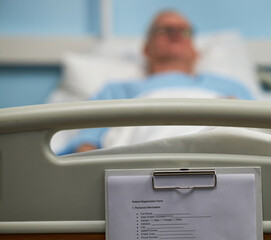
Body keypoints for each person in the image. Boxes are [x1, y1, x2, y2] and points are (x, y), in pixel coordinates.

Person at [64, 10, 254, 154]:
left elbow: (262, 134)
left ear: (196, 52)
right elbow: (87, 145)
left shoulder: (231, 88)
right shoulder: (116, 91)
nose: (176, 34)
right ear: (146, 49)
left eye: (184, 31)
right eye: (164, 30)